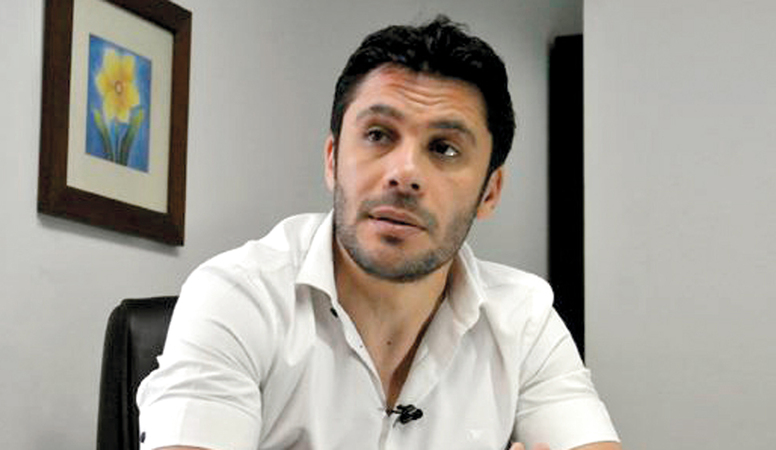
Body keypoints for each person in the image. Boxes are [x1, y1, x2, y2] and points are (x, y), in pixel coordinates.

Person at [137, 15, 621, 450]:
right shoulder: (239, 296)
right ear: (332, 160)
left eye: (445, 148)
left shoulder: (524, 320)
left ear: (489, 192)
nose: (404, 173)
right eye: (378, 135)